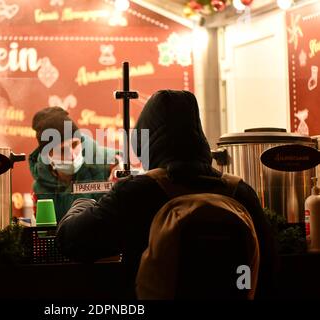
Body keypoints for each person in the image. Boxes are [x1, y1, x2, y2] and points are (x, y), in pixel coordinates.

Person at [56, 90, 278, 299]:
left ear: (146, 143)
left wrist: (82, 202)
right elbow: (269, 267)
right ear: (199, 136)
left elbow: (73, 242)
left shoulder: (138, 192)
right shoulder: (240, 192)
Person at [29, 107, 121, 222]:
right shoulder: (39, 188)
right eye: (62, 150)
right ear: (48, 155)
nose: (72, 155)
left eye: (74, 145)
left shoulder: (111, 165)